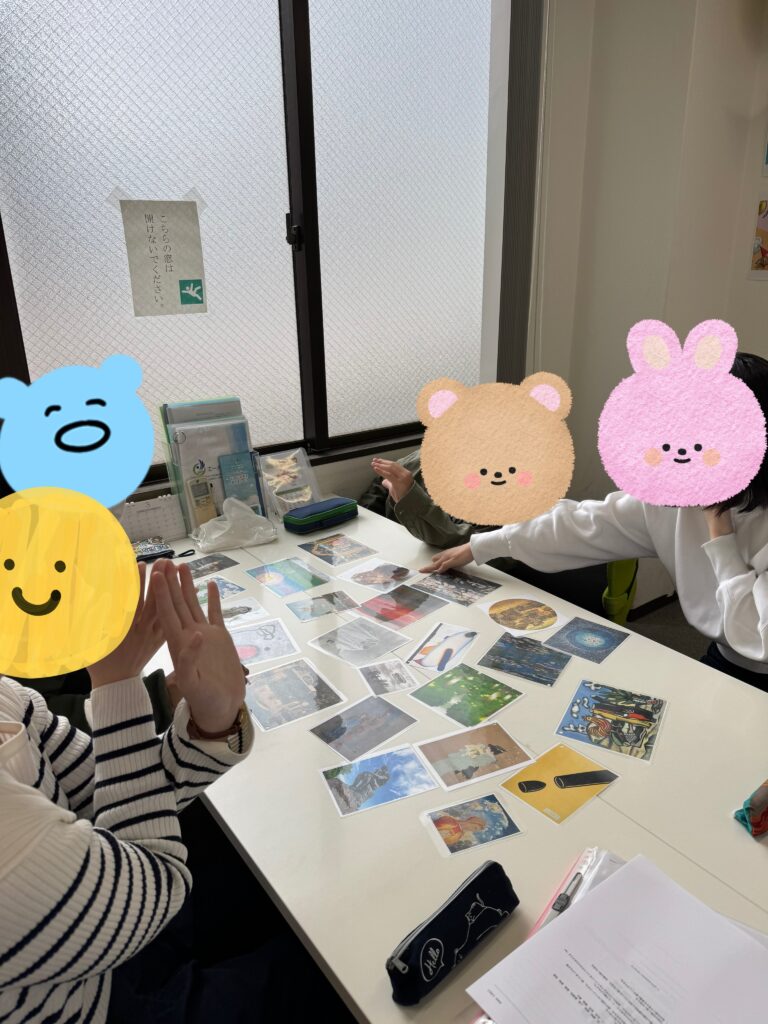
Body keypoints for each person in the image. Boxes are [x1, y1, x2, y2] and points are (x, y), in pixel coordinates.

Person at [0, 559, 354, 1023]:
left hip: (114, 919)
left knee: (315, 885)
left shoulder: (6, 695)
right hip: (101, 995)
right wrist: (118, 682)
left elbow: (112, 789)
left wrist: (212, 722)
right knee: (345, 961)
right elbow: (157, 881)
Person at [420, 353, 768, 691]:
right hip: (727, 657)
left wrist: (720, 535)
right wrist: (482, 545)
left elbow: (755, 635)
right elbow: (585, 524)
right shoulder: (674, 496)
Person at [361, 452, 607, 616]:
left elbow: (472, 546)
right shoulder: (428, 458)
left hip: (496, 581)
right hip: (418, 564)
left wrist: (409, 496)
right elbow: (380, 488)